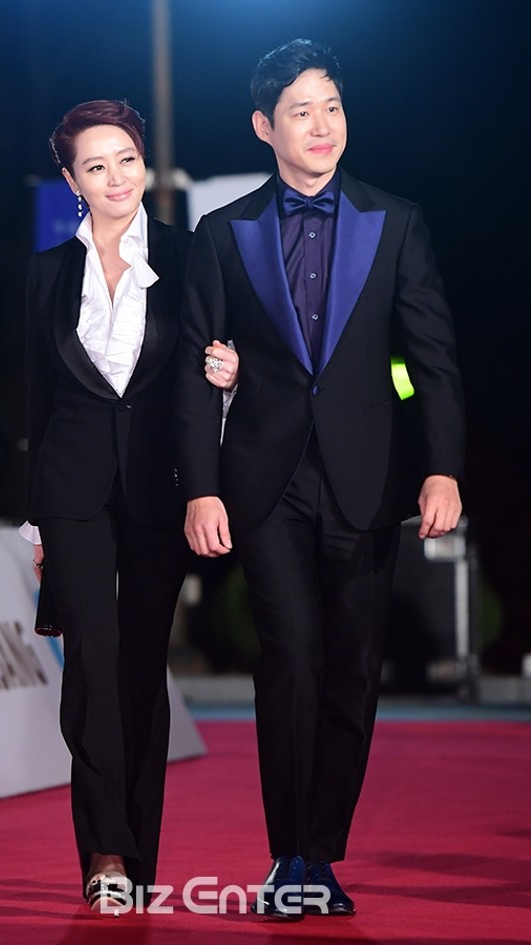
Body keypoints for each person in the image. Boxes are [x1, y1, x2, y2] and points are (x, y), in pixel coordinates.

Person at [176, 40, 464, 919]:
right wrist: (200, 485)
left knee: (353, 666)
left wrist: (443, 466)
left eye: (332, 106)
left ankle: (323, 854)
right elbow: (197, 366)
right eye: (301, 110)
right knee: (290, 659)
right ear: (266, 127)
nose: (322, 125)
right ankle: (289, 855)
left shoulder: (397, 221)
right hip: (262, 481)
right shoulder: (223, 234)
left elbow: (435, 356)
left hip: (368, 479)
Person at [22, 99, 236, 915]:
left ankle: (139, 851)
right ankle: (105, 845)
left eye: (126, 159)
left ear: (143, 163)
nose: (115, 177)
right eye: (95, 165)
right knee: (93, 666)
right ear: (72, 179)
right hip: (71, 490)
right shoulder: (46, 271)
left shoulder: (189, 258)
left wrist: (230, 370)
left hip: (161, 489)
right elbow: (36, 400)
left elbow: (221, 353)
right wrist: (35, 519)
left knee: (142, 671)